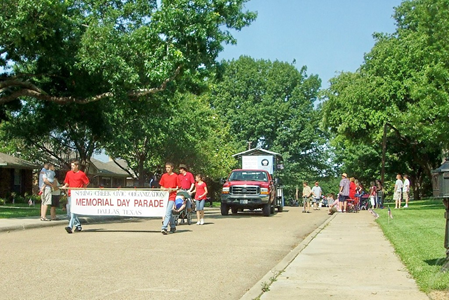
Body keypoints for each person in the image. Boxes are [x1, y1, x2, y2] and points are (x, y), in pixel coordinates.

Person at [62, 160, 90, 234]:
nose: (72, 167)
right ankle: (78, 225)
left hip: (78, 195)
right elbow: (67, 182)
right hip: (70, 194)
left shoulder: (81, 174)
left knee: (73, 211)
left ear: (77, 166)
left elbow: (86, 182)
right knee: (69, 213)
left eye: (73, 166)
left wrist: (82, 189)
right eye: (71, 166)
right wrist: (64, 186)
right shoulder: (69, 173)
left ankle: (70, 226)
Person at [160, 162, 181, 235]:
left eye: (169, 167)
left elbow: (178, 187)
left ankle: (164, 227)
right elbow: (161, 187)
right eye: (166, 167)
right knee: (168, 212)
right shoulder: (164, 176)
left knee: (168, 212)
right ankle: (173, 226)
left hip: (172, 196)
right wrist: (164, 189)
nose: (167, 169)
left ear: (172, 168)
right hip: (165, 196)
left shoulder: (175, 176)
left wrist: (172, 189)